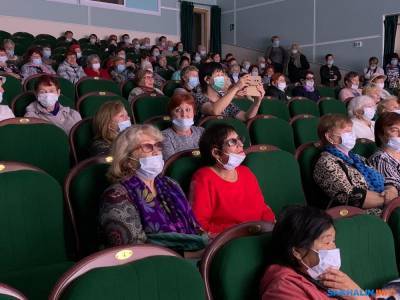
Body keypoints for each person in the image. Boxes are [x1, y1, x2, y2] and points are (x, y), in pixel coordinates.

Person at [99, 124, 203, 248]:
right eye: (147, 147)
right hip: (153, 263)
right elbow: (134, 249)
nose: (156, 152)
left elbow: (195, 226)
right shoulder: (116, 196)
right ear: (127, 158)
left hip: (192, 253)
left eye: (158, 146)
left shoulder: (170, 184)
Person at [260, 205, 366, 300]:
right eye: (327, 242)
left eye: (333, 241)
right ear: (297, 251)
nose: (333, 248)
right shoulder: (283, 289)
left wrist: (359, 294)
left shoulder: (318, 277)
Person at [189, 124, 275, 235]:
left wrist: (271, 227)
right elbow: (199, 225)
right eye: (233, 142)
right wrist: (242, 231)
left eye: (239, 139)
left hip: (261, 235)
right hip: (230, 242)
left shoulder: (246, 172)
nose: (241, 144)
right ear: (216, 153)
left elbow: (263, 208)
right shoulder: (203, 178)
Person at [313, 114, 389, 214]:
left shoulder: (358, 158)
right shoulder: (326, 162)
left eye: (352, 131)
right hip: (354, 214)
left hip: (382, 206)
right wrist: (390, 200)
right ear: (329, 137)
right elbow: (351, 197)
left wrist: (390, 191)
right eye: (347, 132)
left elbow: (383, 180)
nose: (352, 135)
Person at [195, 62, 264, 122]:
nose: (223, 78)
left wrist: (257, 101)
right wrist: (236, 87)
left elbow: (245, 117)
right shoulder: (198, 97)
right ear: (207, 79)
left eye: (222, 75)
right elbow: (214, 111)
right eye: (218, 75)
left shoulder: (224, 98)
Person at [162, 93, 204, 160]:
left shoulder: (202, 131)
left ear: (194, 112)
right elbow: (172, 164)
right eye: (178, 110)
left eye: (188, 110)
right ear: (170, 114)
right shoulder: (164, 136)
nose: (184, 114)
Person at [369, 112, 400, 199]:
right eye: (394, 130)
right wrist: (391, 190)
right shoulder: (380, 158)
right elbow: (392, 187)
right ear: (381, 135)